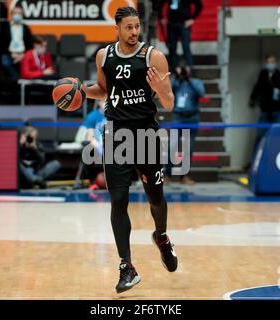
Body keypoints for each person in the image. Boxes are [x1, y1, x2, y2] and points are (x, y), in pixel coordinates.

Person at [81, 7, 177, 293]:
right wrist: (82, 91)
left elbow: (169, 103)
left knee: (155, 198)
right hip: (116, 133)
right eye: (129, 27)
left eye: (137, 27)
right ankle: (127, 266)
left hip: (146, 132)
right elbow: (103, 90)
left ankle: (161, 237)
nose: (134, 32)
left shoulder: (153, 57)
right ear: (117, 28)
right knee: (118, 198)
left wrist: (161, 90)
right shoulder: (103, 56)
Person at [164, 62, 205, 185]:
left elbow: (201, 93)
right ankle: (167, 175)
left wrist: (189, 79)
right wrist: (177, 77)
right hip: (178, 118)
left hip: (192, 118)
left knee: (189, 148)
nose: (183, 70)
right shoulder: (176, 82)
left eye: (186, 68)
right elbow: (168, 90)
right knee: (173, 146)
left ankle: (184, 176)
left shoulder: (196, 82)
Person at [249, 54, 280, 147]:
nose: (271, 64)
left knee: (278, 136)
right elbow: (258, 87)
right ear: (266, 63)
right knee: (260, 135)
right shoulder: (263, 74)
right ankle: (255, 160)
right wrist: (252, 99)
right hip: (265, 111)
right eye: (269, 62)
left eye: (273, 62)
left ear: (276, 63)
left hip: (277, 110)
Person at [158, 0, 203, 70]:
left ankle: (189, 73)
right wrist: (161, 17)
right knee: (172, 49)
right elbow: (159, 4)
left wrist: (192, 19)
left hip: (184, 24)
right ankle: (174, 72)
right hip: (171, 23)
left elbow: (199, 5)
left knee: (186, 48)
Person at [0, 5, 33, 80]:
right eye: (15, 13)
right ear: (11, 14)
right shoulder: (5, 28)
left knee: (30, 61)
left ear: (22, 15)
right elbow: (1, 44)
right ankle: (18, 80)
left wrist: (22, 55)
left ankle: (19, 81)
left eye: (19, 13)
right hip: (9, 54)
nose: (17, 15)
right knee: (5, 61)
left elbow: (30, 45)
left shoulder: (26, 28)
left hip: (23, 54)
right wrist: (12, 54)